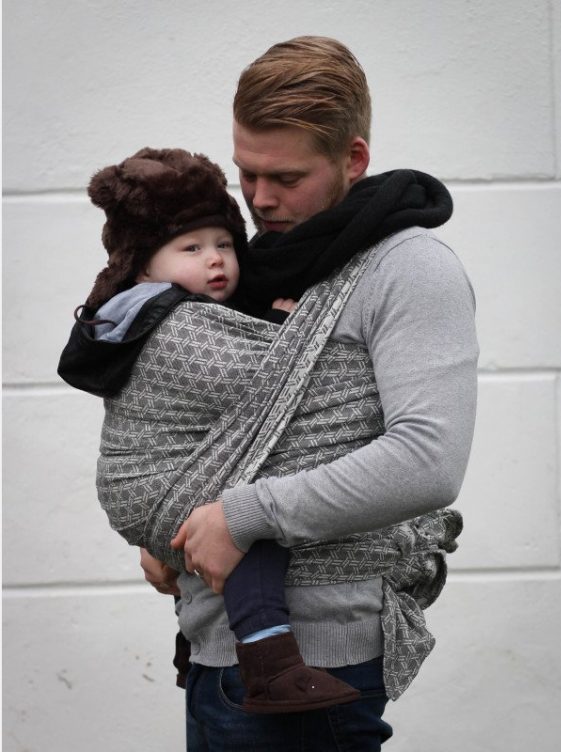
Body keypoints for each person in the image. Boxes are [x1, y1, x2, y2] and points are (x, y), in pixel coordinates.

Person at [150, 36, 477, 751]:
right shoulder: (252, 269)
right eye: (246, 173)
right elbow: (232, 431)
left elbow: (428, 459)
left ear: (352, 159)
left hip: (316, 667)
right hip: (210, 650)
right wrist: (169, 530)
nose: (260, 198)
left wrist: (240, 516)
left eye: (286, 177)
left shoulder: (408, 269)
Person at [58, 146, 361, 714]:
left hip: (164, 479)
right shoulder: (168, 315)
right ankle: (270, 662)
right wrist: (285, 330)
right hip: (154, 479)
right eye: (191, 248)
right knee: (253, 523)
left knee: (242, 512)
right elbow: (256, 379)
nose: (216, 259)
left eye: (224, 243)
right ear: (144, 266)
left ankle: (192, 645)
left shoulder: (139, 310)